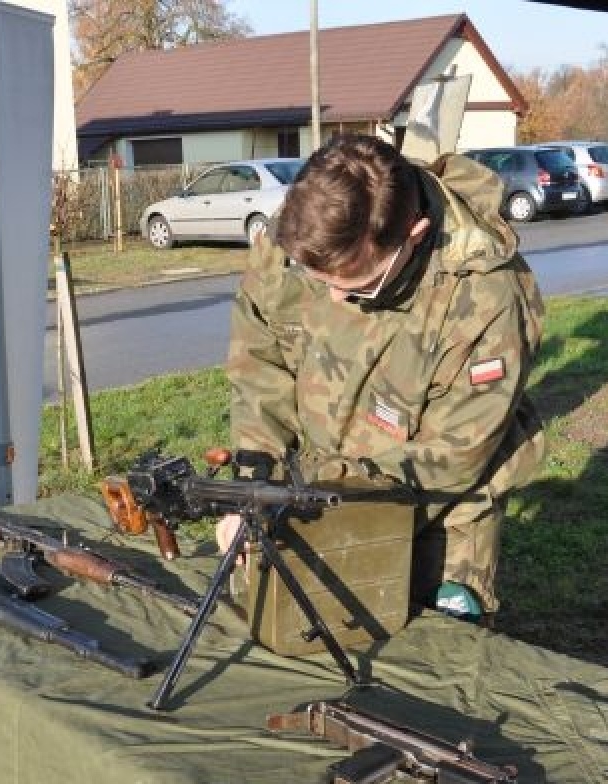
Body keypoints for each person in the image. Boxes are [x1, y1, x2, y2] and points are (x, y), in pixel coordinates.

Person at [224, 133, 546, 622]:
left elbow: (452, 458)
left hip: (433, 515)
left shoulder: (484, 298)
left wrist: (312, 517)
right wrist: (256, 492)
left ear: (413, 236)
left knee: (421, 675)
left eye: (357, 286)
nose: (332, 299)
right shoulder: (298, 239)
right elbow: (259, 374)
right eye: (319, 282)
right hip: (304, 498)